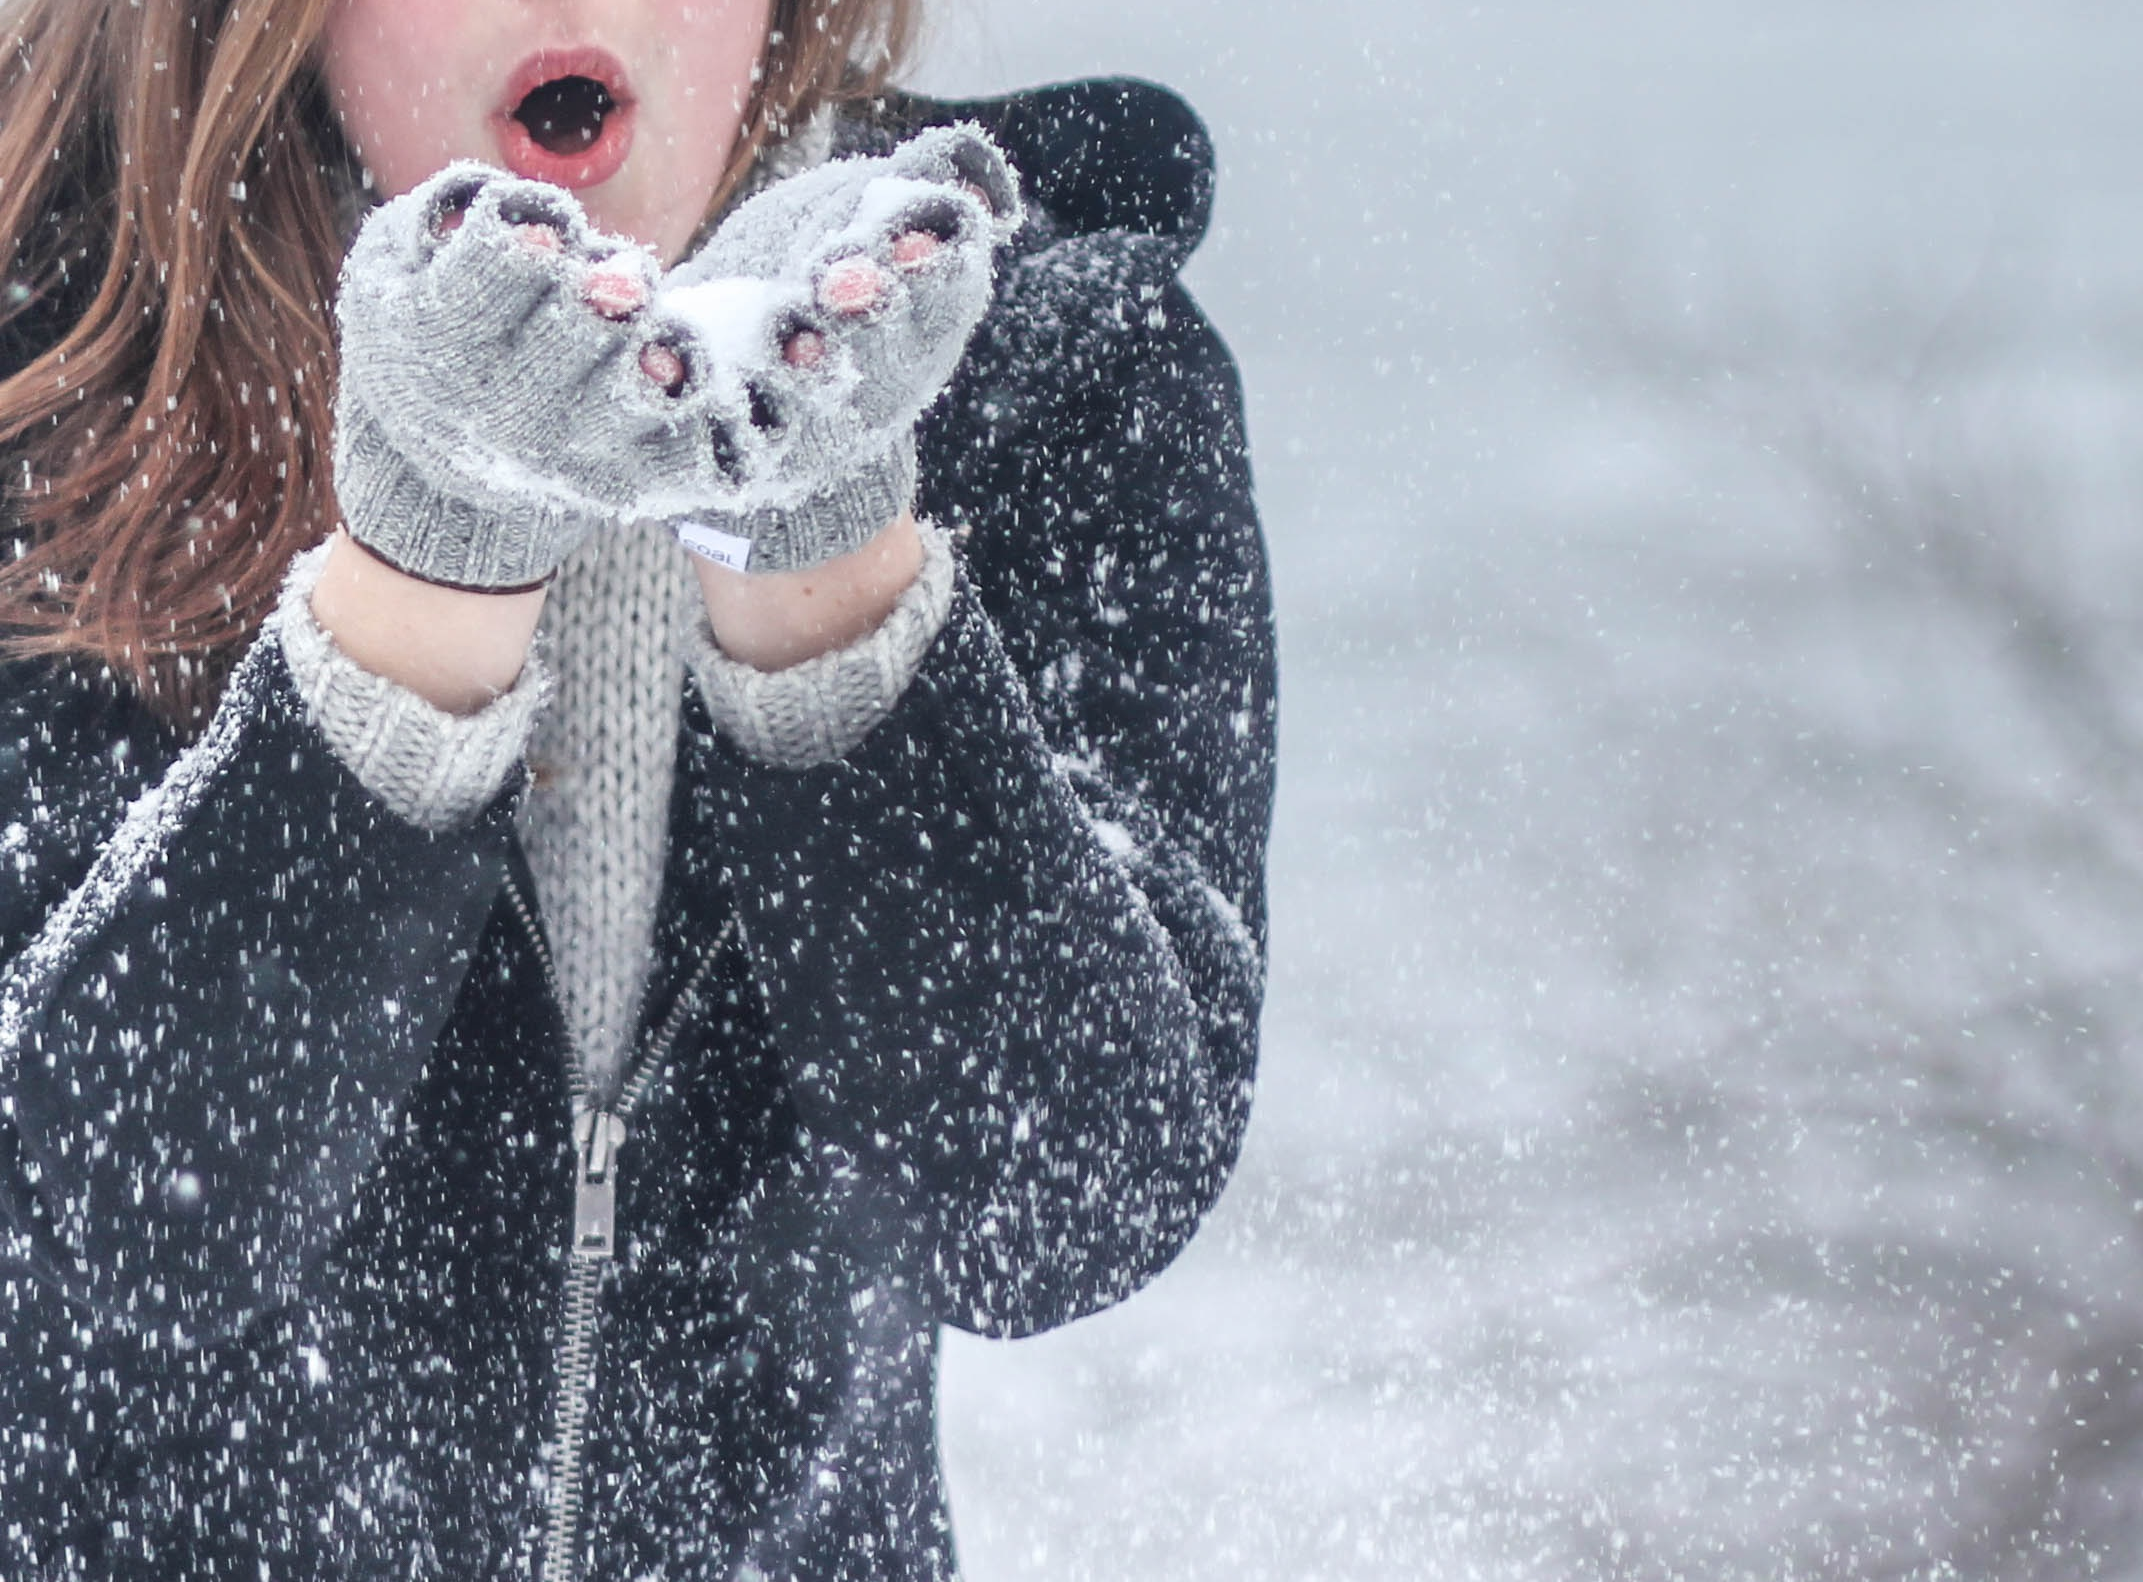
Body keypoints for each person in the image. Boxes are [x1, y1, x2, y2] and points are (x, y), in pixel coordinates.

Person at [0, 0, 1275, 1573]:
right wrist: (421, 584)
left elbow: (1058, 1204)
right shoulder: (45, 383)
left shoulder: (1052, 370)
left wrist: (828, 559)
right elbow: (94, 1224)